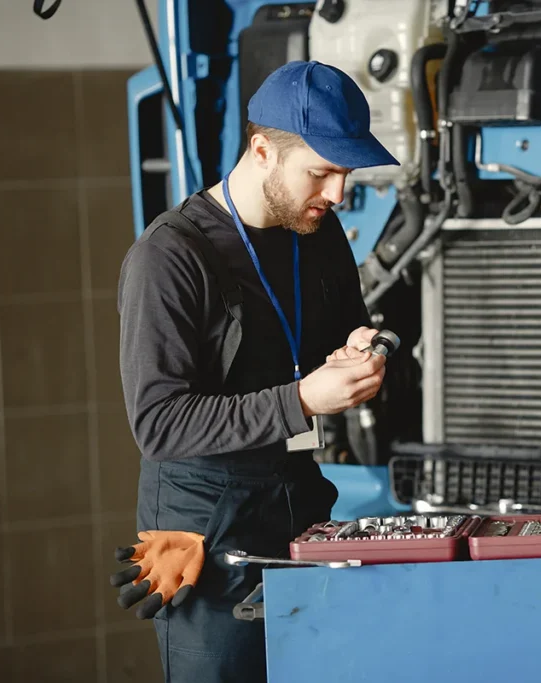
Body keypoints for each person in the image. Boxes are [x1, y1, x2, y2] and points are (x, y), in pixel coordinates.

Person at [110, 61, 398, 682]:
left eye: (346, 173)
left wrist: (370, 348)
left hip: (300, 509)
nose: (339, 193)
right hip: (204, 545)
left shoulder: (317, 233)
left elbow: (353, 327)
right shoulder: (169, 257)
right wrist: (303, 400)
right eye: (321, 172)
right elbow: (159, 426)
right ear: (263, 150)